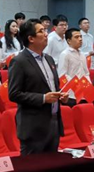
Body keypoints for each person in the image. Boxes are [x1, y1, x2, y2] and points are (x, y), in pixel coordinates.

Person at [8, 19, 73, 154]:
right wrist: (43, 98)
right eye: (41, 31)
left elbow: (53, 87)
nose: (46, 34)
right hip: (34, 127)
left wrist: (60, 96)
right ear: (31, 38)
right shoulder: (19, 61)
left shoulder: (49, 59)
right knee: (33, 166)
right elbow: (14, 94)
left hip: (53, 123)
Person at [57, 27, 89, 99]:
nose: (80, 39)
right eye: (76, 37)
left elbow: (86, 73)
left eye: (81, 37)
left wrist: (88, 88)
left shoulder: (82, 54)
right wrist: (77, 85)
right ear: (69, 41)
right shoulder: (65, 54)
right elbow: (62, 75)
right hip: (71, 94)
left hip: (83, 91)